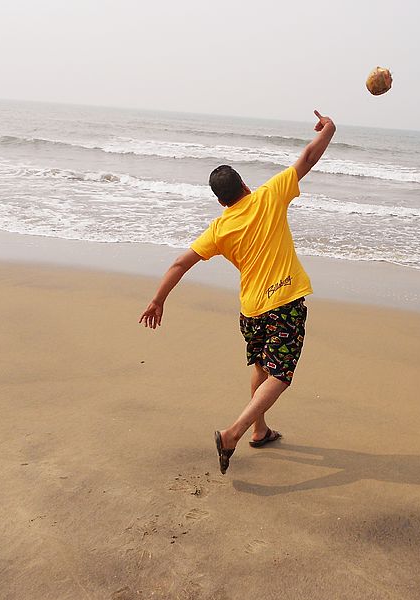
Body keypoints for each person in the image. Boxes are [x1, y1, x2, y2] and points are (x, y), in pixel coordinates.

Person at [139, 110, 336, 474]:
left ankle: (260, 431)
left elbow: (180, 264)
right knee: (281, 374)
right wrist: (330, 129)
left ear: (220, 200)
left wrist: (157, 299)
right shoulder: (269, 195)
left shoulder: (219, 228)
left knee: (261, 364)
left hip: (251, 310)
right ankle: (234, 433)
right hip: (285, 302)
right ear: (245, 185)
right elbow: (308, 157)